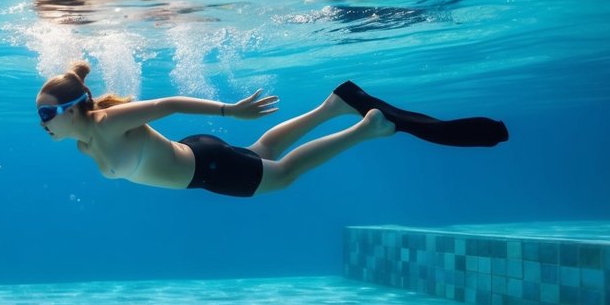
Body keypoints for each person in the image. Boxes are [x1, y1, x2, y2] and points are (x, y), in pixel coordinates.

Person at [36, 61, 508, 197]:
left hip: (207, 166)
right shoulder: (83, 144)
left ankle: (368, 128)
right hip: (199, 158)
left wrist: (230, 111)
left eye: (44, 115)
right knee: (262, 151)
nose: (41, 126)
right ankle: (333, 106)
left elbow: (168, 104)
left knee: (279, 176)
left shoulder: (107, 122)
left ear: (74, 109)